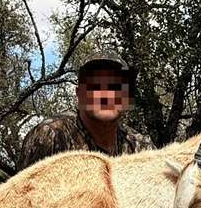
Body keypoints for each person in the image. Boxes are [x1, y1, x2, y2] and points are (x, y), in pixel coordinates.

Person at [16, 53, 153, 170]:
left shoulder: (140, 148)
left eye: (115, 87)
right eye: (96, 87)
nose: (105, 95)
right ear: (79, 94)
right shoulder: (50, 136)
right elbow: (21, 197)